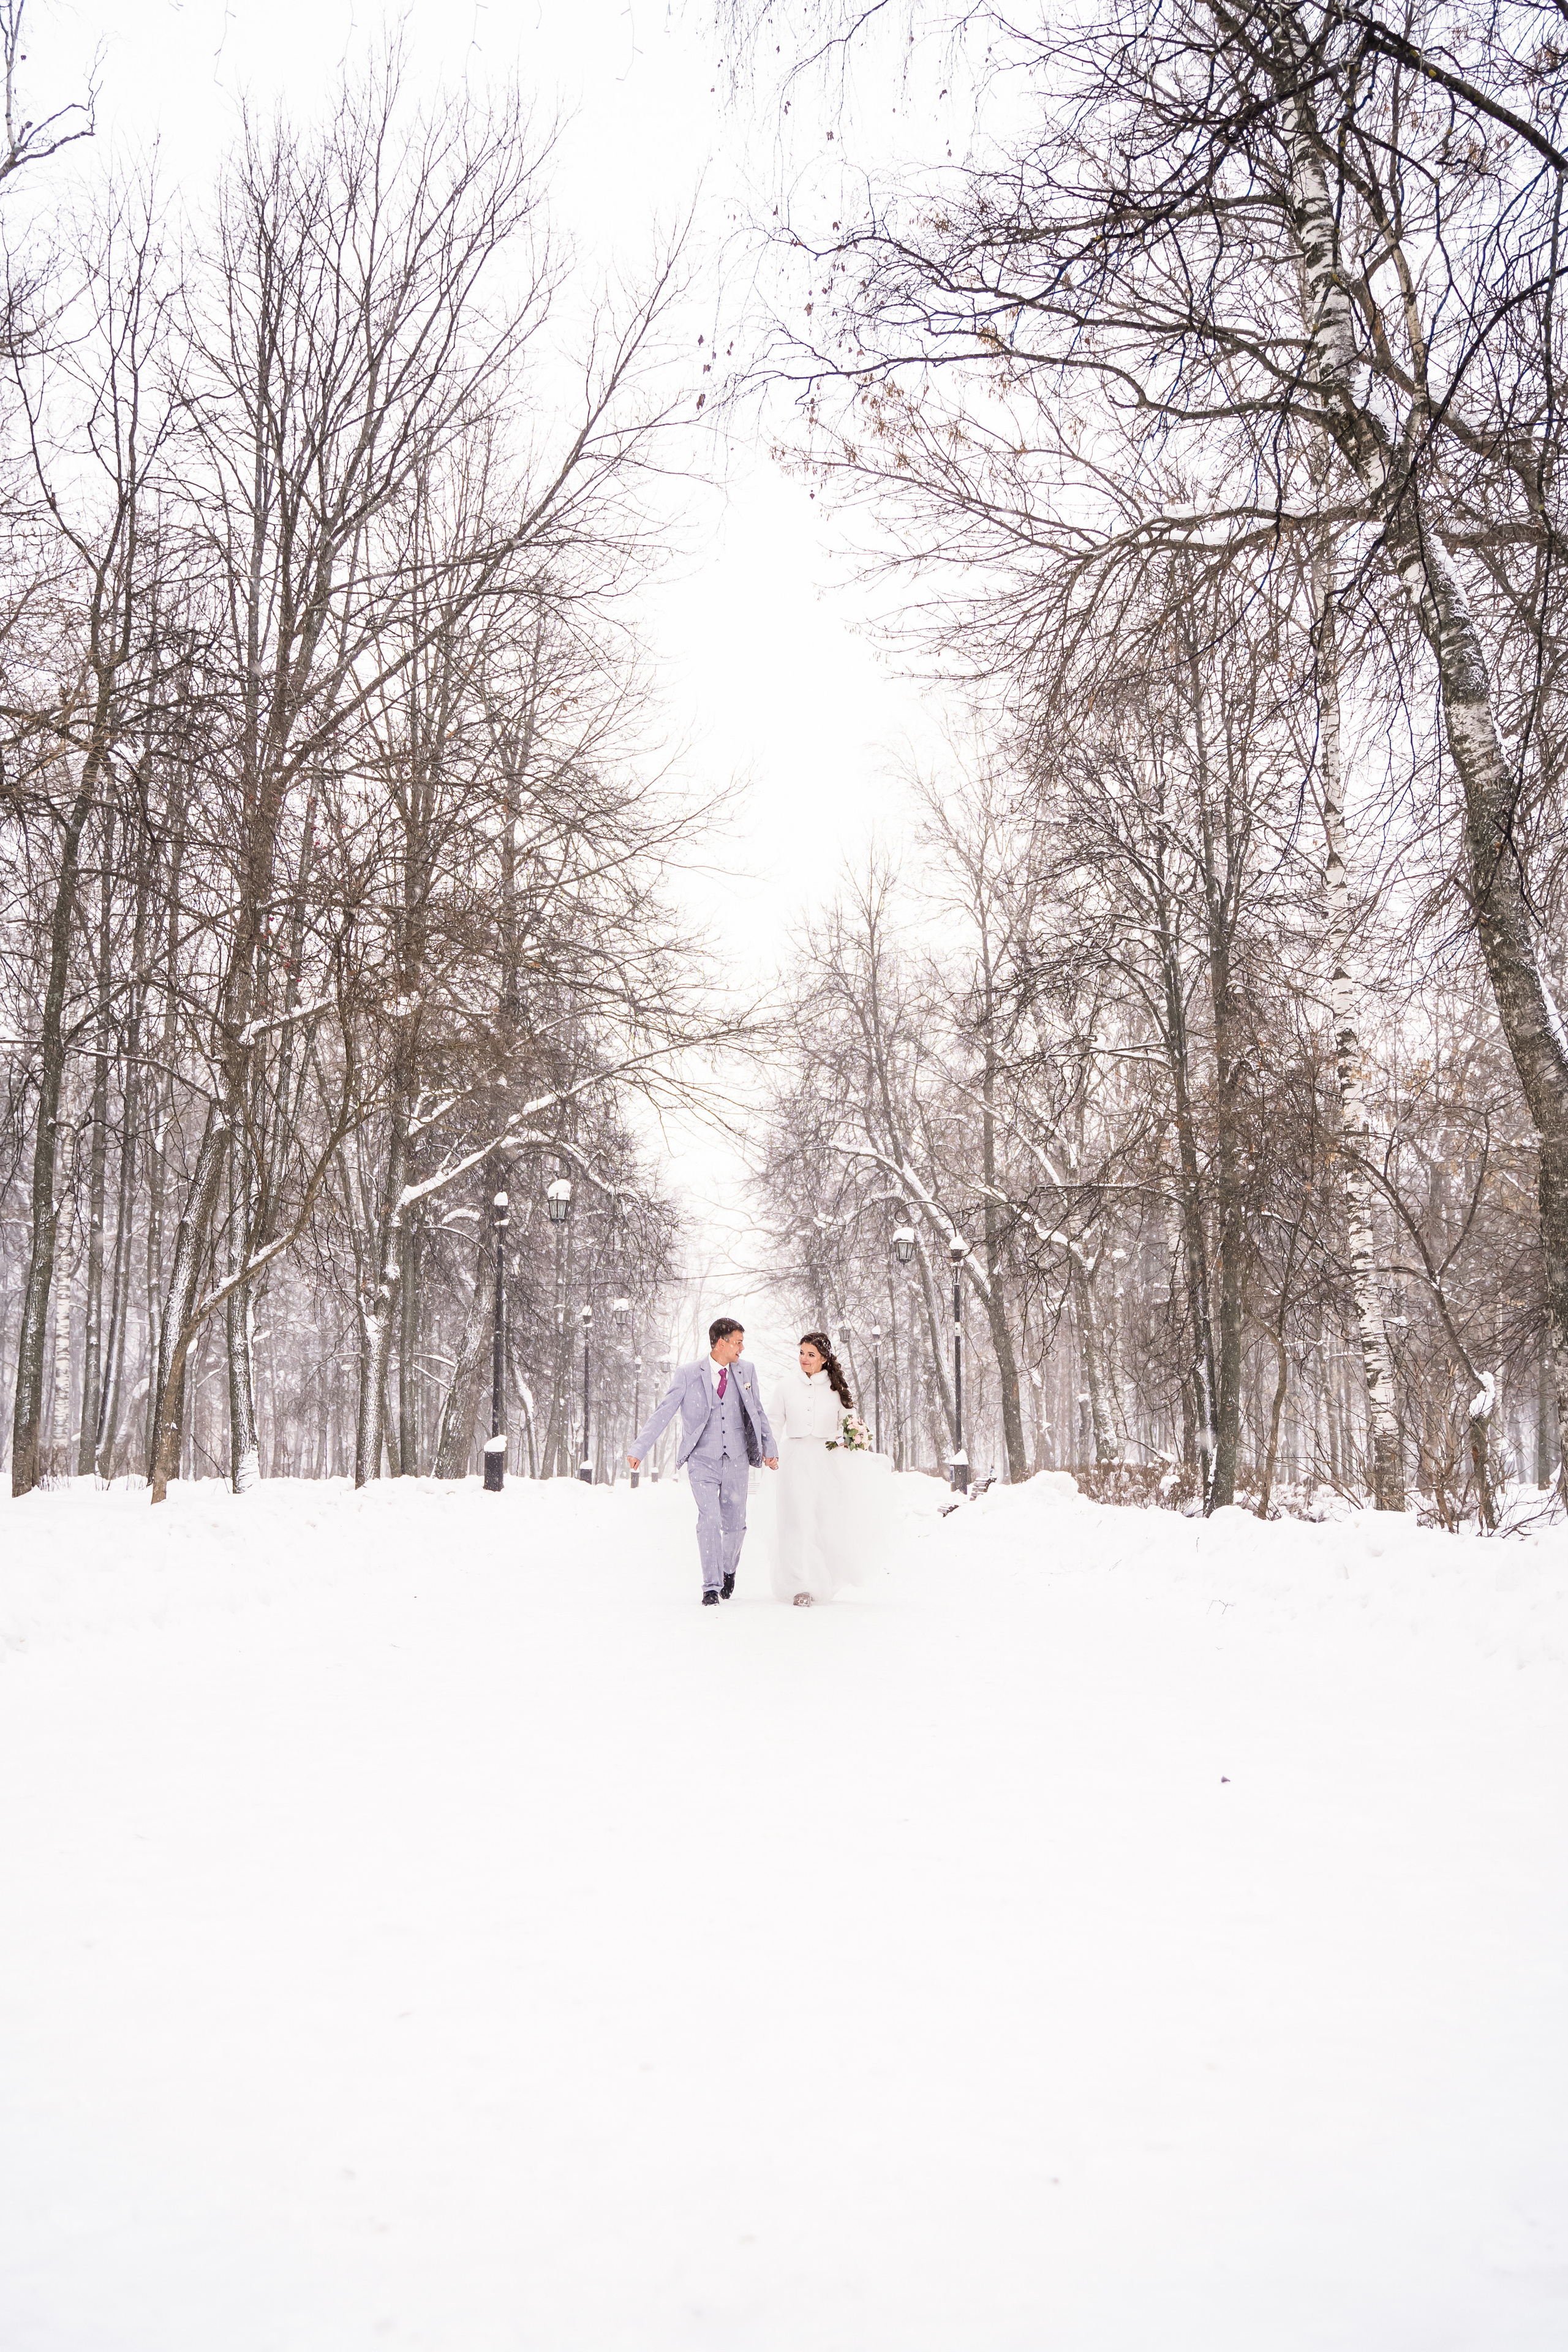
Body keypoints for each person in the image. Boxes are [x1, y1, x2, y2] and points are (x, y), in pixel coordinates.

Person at [627, 1318, 778, 1606]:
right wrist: (639, 1448)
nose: (742, 1348)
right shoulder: (687, 1374)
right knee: (709, 1519)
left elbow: (757, 1411)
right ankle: (711, 1586)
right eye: (738, 1342)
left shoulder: (746, 1370)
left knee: (736, 1524)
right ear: (721, 1343)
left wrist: (769, 1448)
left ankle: (728, 1569)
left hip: (737, 1459)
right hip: (702, 1460)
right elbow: (664, 1411)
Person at [772, 1330, 882, 1606]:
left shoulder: (837, 1390)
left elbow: (852, 1427)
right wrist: (770, 1450)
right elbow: (774, 1421)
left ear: (824, 1359)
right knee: (798, 1521)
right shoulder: (785, 1387)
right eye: (801, 1353)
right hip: (795, 1461)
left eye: (811, 1355)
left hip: (827, 1462)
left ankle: (823, 1579)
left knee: (824, 1522)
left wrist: (846, 1440)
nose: (804, 1359)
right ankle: (801, 1585)